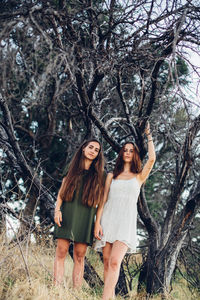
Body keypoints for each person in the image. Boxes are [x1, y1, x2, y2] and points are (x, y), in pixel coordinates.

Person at [94, 122, 156, 300]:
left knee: (114, 262)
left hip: (125, 224)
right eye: (125, 150)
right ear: (121, 154)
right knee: (107, 263)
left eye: (131, 150)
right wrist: (97, 223)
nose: (128, 153)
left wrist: (148, 134)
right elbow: (103, 201)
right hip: (107, 222)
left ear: (135, 154)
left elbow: (151, 159)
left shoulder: (139, 176)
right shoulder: (111, 176)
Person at [54, 138, 105, 288]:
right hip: (67, 213)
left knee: (80, 256)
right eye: (91, 147)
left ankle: (76, 292)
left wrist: (97, 223)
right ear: (83, 148)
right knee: (61, 252)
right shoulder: (71, 168)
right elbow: (61, 193)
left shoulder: (100, 175)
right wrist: (57, 210)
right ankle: (56, 290)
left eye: (96, 150)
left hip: (86, 217)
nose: (93, 151)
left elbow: (101, 203)